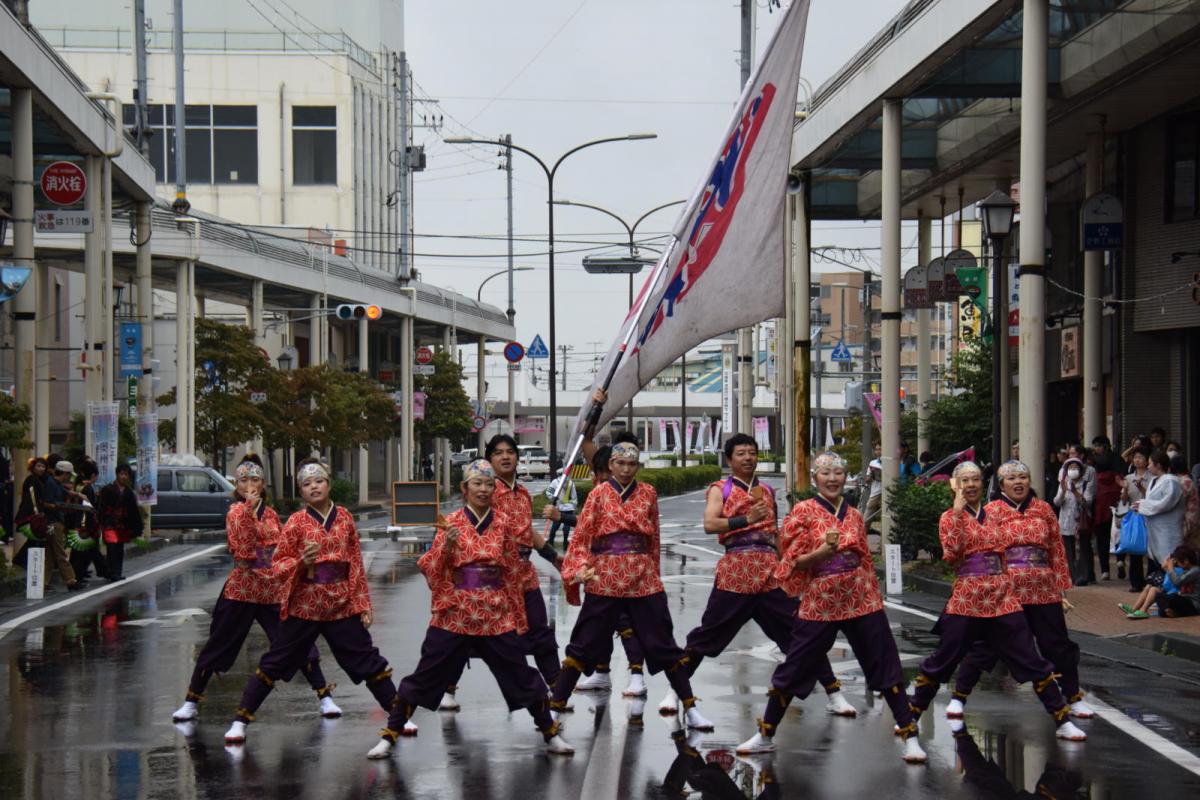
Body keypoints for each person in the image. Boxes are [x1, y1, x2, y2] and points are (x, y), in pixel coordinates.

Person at [368, 460, 570, 759]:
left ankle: (550, 733)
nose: (484, 489)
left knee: (521, 675)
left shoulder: (503, 524)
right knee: (425, 675)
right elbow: (431, 567)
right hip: (456, 613)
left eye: (489, 484)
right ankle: (390, 735)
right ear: (465, 489)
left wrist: (517, 613)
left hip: (495, 614)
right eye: (477, 483)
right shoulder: (450, 523)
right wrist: (447, 547)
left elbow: (513, 571)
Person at [736, 452, 926, 764]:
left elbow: (864, 558)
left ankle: (909, 734)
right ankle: (766, 733)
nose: (833, 478)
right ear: (815, 479)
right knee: (796, 663)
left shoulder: (853, 514)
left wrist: (875, 596)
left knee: (885, 661)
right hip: (821, 598)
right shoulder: (803, 512)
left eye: (839, 473)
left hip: (859, 596)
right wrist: (822, 552)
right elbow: (792, 562)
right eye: (826, 473)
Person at [660, 434, 856, 718]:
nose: (748, 458)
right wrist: (746, 520)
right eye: (741, 453)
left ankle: (834, 693)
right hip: (736, 572)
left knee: (799, 635)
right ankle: (674, 691)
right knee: (708, 635)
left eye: (752, 452)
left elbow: (775, 534)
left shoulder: (766, 489)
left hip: (768, 572)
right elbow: (710, 524)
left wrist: (788, 566)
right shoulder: (720, 488)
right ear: (729, 459)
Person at [224, 459, 398, 746]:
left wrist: (362, 602)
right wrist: (300, 562)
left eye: (318, 481)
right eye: (306, 484)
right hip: (305, 605)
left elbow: (355, 562)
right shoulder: (295, 522)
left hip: (340, 603)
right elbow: (278, 565)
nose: (314, 486)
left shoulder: (344, 518)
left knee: (366, 658)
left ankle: (397, 715)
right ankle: (240, 720)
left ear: (328, 483)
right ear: (301, 492)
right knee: (276, 660)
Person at [905, 461, 1083, 740]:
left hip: (1003, 595)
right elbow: (951, 552)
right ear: (956, 485)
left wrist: (1055, 585)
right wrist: (955, 511)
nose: (971, 485)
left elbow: (1018, 551)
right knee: (945, 659)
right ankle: (911, 716)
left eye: (975, 479)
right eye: (964, 480)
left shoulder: (996, 515)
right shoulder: (950, 516)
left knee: (1031, 655)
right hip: (968, 598)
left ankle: (1062, 719)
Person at [548, 441, 715, 737]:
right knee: (583, 642)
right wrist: (579, 568)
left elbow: (654, 539)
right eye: (620, 463)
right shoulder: (598, 494)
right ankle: (553, 707)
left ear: (638, 467)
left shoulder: (648, 493)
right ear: (610, 465)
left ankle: (690, 707)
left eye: (631, 464)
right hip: (606, 576)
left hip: (641, 576)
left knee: (663, 643)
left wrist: (655, 574)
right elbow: (583, 536)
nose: (626, 469)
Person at [172, 455, 341, 726]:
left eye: (255, 480)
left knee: (296, 640)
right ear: (236, 485)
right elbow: (243, 549)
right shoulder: (235, 512)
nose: (249, 484)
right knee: (219, 644)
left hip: (272, 588)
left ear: (263, 484)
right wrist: (248, 511)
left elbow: (285, 546)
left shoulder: (272, 514)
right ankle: (191, 702)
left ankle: (324, 696)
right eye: (243, 480)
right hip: (243, 587)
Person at [950, 460, 1094, 721]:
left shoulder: (1044, 509)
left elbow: (1056, 549)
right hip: (1004, 590)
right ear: (1001, 484)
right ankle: (959, 697)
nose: (1018, 482)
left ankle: (1072, 696)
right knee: (987, 644)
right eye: (1012, 478)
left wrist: (1062, 587)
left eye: (1023, 477)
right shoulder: (990, 511)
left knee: (1057, 645)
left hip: (1043, 588)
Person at [437, 434, 562, 713]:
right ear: (489, 460)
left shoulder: (524, 494)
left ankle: (557, 688)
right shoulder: (487, 491)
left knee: (540, 631)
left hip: (524, 573)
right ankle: (448, 688)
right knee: (469, 634)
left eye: (510, 452)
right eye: (498, 453)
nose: (505, 457)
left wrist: (553, 557)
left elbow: (526, 531)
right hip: (493, 579)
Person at [554, 442, 649, 699]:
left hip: (630, 572)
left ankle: (637, 675)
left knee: (627, 624)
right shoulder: (599, 492)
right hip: (600, 569)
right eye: (599, 471)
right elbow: (587, 528)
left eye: (629, 464)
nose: (600, 477)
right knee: (599, 626)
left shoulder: (642, 493)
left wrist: (561, 518)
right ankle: (602, 671)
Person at [1133, 450, 1184, 591]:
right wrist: (1141, 505)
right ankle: (1161, 594)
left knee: (1171, 562)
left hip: (1169, 531)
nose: (1148, 466)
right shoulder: (1154, 481)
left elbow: (1166, 503)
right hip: (1156, 530)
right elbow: (1152, 502)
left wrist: (1143, 505)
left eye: (1150, 463)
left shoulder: (1171, 481)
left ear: (1158, 465)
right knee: (1159, 562)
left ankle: (1172, 593)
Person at [39, 460, 86, 590]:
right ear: (64, 474)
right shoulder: (51, 484)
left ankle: (43, 582)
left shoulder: (56, 483)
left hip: (53, 522)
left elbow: (67, 493)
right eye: (69, 475)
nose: (70, 477)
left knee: (49, 555)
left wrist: (78, 494)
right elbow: (46, 503)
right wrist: (60, 506)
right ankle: (71, 580)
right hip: (53, 522)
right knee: (60, 553)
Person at [1120, 546, 1198, 619]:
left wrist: (1170, 567)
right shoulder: (1186, 570)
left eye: (1178, 562)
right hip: (1183, 600)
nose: (1177, 564)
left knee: (1172, 598)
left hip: (1193, 604)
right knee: (1159, 598)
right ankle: (1172, 612)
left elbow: (1177, 582)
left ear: (1186, 561)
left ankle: (1144, 610)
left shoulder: (1195, 571)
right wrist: (1169, 567)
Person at [98, 463, 143, 581]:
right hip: (110, 523)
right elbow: (101, 508)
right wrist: (101, 521)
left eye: (126, 475)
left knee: (119, 548)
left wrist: (137, 527)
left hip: (122, 524)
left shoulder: (129, 492)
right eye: (122, 474)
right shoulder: (108, 489)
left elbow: (133, 511)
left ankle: (117, 572)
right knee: (111, 547)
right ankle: (111, 572)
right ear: (117, 474)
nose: (124, 477)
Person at [1053, 456, 1094, 585]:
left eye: (1076, 468)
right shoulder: (1063, 482)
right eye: (1070, 468)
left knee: (1083, 549)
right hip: (1066, 521)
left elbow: (1087, 502)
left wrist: (1076, 492)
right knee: (1068, 550)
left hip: (1081, 522)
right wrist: (1063, 492)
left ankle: (1083, 576)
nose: (1073, 470)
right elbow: (1057, 502)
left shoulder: (1085, 483)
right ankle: (1071, 575)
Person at [67, 460, 107, 583]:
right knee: (89, 549)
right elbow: (90, 507)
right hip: (85, 523)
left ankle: (78, 573)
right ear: (93, 475)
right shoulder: (87, 488)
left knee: (79, 550)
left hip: (76, 521)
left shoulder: (78, 485)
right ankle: (103, 571)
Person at [1118, 447, 1151, 591]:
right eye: (1135, 457)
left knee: (1150, 550)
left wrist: (1142, 488)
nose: (1137, 460)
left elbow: (1152, 497)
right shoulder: (1129, 478)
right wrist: (1125, 488)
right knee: (1134, 548)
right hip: (1134, 516)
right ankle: (1136, 583)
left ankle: (1151, 580)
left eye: (1140, 457)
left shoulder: (1152, 477)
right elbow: (1124, 500)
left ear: (1147, 460)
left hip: (1149, 516)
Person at [1090, 436, 1124, 580]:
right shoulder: (1093, 462)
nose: (1096, 448)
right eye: (1095, 446)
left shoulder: (1097, 465)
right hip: (1108, 504)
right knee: (1111, 536)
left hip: (1107, 505)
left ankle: (1112, 567)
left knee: (1109, 537)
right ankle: (1113, 564)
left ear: (1106, 446)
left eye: (1099, 445)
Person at [1171, 455, 1200, 550]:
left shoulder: (1184, 482)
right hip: (1192, 518)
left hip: (1188, 520)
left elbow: (1175, 501)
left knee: (1185, 551)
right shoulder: (1186, 480)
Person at [544, 468, 577, 548]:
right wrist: (574, 506)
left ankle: (551, 541)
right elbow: (574, 496)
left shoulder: (555, 482)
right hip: (569, 508)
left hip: (558, 507)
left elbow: (548, 492)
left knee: (555, 525)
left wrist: (553, 500)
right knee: (567, 526)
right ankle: (565, 542)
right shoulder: (570, 482)